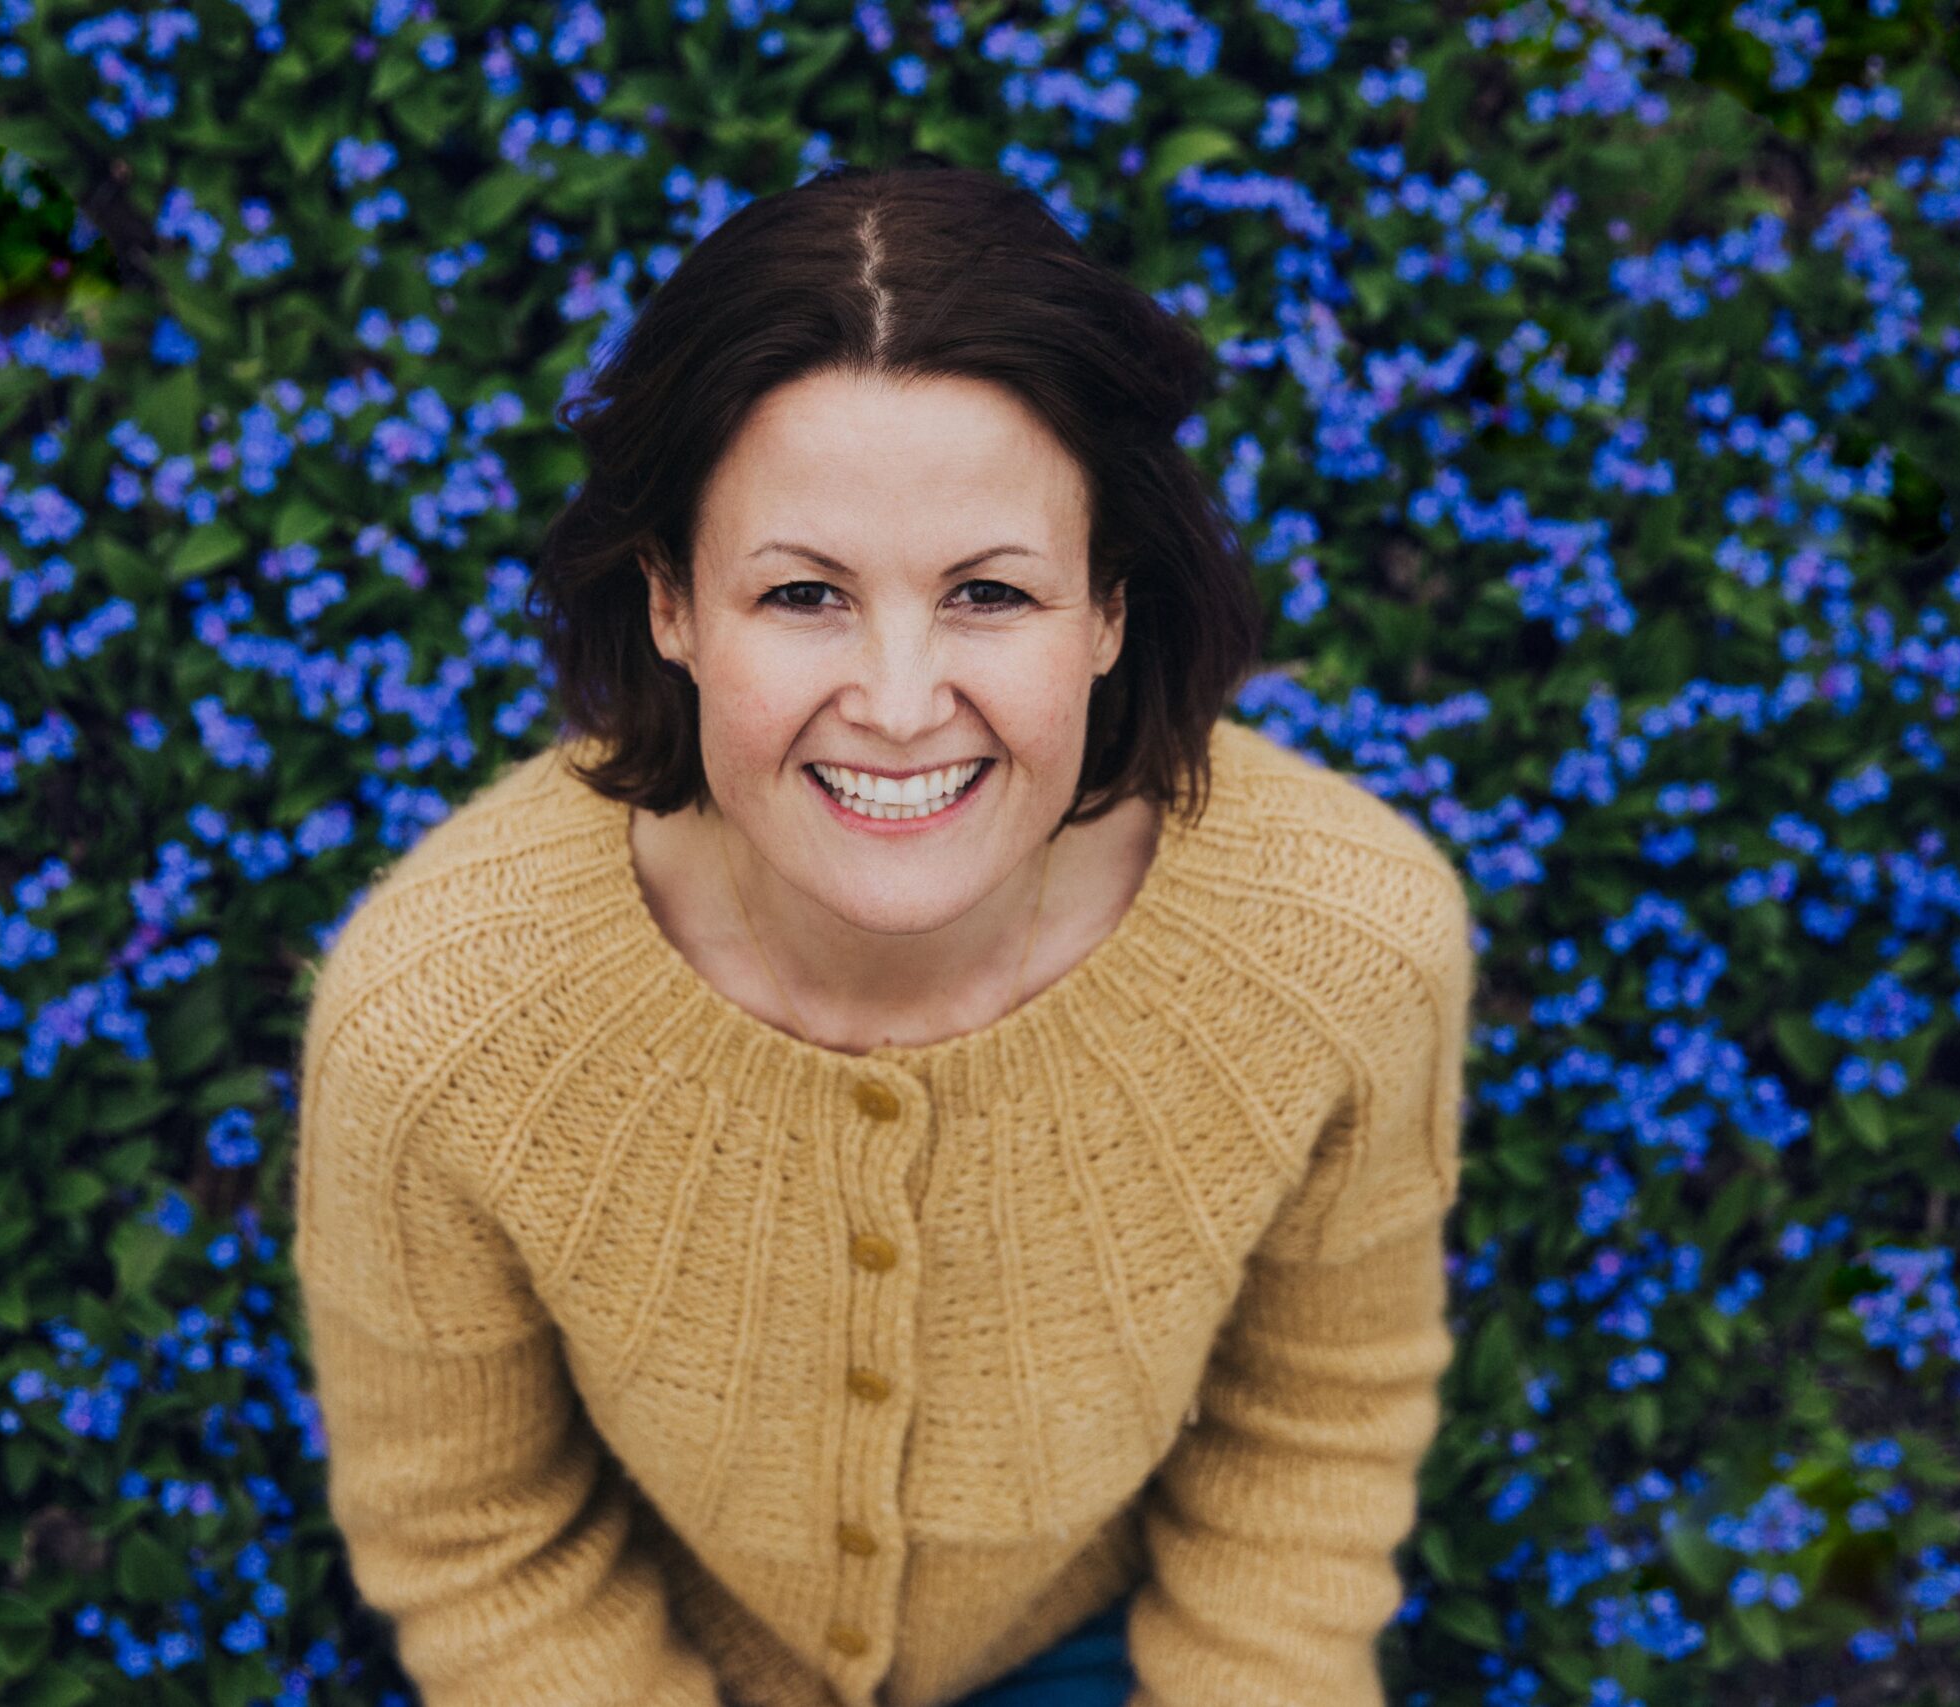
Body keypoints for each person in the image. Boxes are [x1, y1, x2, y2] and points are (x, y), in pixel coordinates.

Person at [291, 156, 1479, 1707]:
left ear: (1109, 611)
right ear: (671, 603)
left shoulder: (1347, 939)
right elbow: (478, 1533)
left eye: (989, 592)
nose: (904, 702)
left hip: (1097, 1657)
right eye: (802, 597)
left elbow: (1311, 1431)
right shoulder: (440, 1015)